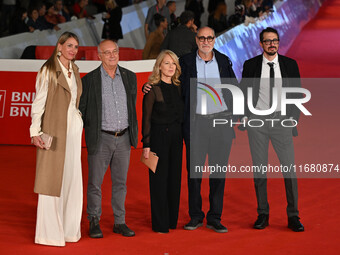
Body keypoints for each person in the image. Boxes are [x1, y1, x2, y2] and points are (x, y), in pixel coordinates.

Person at [144, 27, 237, 233]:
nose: (205, 41)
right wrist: (148, 87)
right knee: (194, 173)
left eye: (209, 38)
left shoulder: (223, 61)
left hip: (220, 124)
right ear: (196, 40)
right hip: (196, 125)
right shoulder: (185, 62)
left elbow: (234, 88)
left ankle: (215, 216)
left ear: (214, 40)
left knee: (218, 173)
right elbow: (169, 80)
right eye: (202, 38)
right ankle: (195, 215)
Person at [239, 27, 304, 232]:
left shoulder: (289, 65)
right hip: (257, 124)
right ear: (261, 44)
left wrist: (293, 119)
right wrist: (245, 115)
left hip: (281, 123)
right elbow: (242, 91)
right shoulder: (250, 65)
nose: (271, 44)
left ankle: (293, 215)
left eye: (274, 40)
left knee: (289, 170)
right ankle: (263, 213)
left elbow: (296, 94)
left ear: (278, 42)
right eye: (267, 41)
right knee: (259, 170)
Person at [79, 39, 138, 238]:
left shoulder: (130, 77)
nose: (112, 55)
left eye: (115, 51)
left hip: (123, 138)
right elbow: (83, 111)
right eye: (107, 52)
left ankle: (119, 222)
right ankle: (94, 220)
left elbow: (132, 107)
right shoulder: (89, 80)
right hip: (101, 138)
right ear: (99, 55)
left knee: (120, 183)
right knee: (95, 183)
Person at [30, 31, 83, 246]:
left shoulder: (75, 70)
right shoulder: (48, 70)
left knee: (71, 179)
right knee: (52, 181)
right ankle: (49, 234)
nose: (73, 50)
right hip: (54, 132)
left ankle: (69, 230)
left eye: (76, 47)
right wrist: (35, 132)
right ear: (59, 46)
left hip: (73, 133)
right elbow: (38, 104)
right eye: (69, 45)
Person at [142, 50, 183, 233]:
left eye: (173, 63)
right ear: (159, 66)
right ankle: (160, 223)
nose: (170, 67)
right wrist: (146, 145)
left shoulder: (179, 87)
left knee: (174, 179)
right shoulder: (152, 89)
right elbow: (146, 119)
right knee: (159, 181)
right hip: (158, 138)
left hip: (177, 138)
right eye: (166, 63)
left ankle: (171, 220)